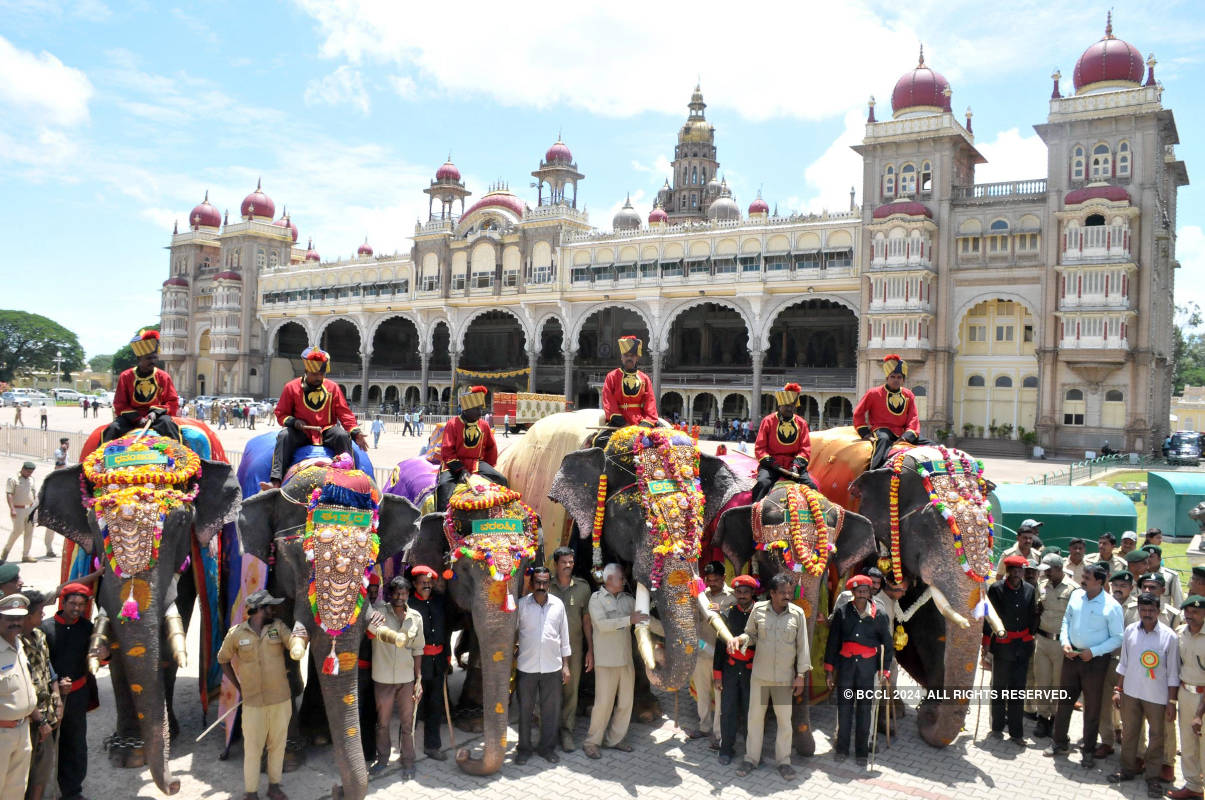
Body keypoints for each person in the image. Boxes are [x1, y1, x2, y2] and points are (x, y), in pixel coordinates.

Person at [217, 589, 298, 800]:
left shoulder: (278, 628)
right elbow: (223, 659)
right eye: (270, 606)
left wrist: (298, 643)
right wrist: (238, 686)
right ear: (260, 609)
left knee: (277, 746)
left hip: (280, 700)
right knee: (252, 749)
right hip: (253, 702)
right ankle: (251, 793)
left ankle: (274, 786)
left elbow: (292, 642)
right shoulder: (236, 633)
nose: (274, 609)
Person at [729, 572, 809, 780]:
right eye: (782, 592)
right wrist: (741, 639)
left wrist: (800, 675)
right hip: (760, 677)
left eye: (790, 592)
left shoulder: (797, 614)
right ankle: (751, 759)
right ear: (772, 593)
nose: (787, 596)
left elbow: (802, 647)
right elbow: (751, 635)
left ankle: (784, 762)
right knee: (755, 719)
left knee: (784, 722)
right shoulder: (758, 609)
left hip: (783, 679)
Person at [1045, 563, 1125, 767]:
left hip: (1095, 663)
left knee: (1092, 708)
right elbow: (1066, 622)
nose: (1083, 579)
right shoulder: (1076, 596)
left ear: (1099, 581)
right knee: (1064, 703)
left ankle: (1088, 750)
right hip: (1071, 658)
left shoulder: (1111, 605)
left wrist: (1094, 652)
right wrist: (1065, 642)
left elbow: (1118, 638)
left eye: (1087, 577)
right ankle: (1059, 742)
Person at [1110, 593, 1180, 798]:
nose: (1147, 614)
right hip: (1131, 692)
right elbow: (1123, 663)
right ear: (1138, 610)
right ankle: (1128, 769)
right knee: (1130, 732)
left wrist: (1172, 702)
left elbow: (1174, 673)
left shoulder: (1170, 637)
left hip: (1157, 697)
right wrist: (1118, 690)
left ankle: (1152, 777)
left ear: (1158, 611)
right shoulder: (1130, 630)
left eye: (1151, 610)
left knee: (1157, 737)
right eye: (1143, 610)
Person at [267, 347, 366, 489]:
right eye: (314, 374)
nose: (318, 377)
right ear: (306, 371)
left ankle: (350, 480)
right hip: (301, 432)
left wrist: (355, 432)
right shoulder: (291, 387)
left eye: (321, 374)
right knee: (284, 435)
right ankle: (275, 481)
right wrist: (294, 422)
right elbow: (281, 414)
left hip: (326, 431)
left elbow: (344, 413)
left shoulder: (333, 387)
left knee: (342, 436)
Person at [825, 574, 893, 765]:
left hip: (867, 671)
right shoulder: (842, 612)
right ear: (852, 592)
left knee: (864, 710)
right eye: (858, 590)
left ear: (871, 592)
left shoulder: (879, 614)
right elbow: (833, 642)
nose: (862, 594)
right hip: (846, 670)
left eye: (865, 590)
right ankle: (842, 749)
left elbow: (888, 645)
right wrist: (829, 670)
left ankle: (862, 753)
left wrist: (885, 671)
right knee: (845, 709)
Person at [367, 576, 424, 780]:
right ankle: (382, 759)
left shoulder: (415, 617)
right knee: (382, 723)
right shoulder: (378, 614)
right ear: (390, 594)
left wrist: (418, 680)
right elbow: (371, 631)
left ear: (409, 594)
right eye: (397, 593)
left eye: (404, 593)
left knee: (408, 723)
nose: (400, 597)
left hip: (407, 679)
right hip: (383, 679)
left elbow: (418, 649)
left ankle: (408, 760)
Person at [584, 564, 642, 760]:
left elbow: (642, 619)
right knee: (603, 704)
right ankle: (592, 742)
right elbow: (601, 625)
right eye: (621, 578)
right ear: (609, 580)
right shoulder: (596, 599)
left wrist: (666, 634)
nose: (624, 581)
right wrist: (628, 621)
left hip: (626, 660)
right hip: (606, 661)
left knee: (626, 703)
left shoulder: (628, 600)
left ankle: (615, 739)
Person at [42, 582, 94, 800]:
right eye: (73, 603)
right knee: (44, 745)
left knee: (75, 744)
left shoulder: (87, 628)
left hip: (77, 696)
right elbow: (40, 665)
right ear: (62, 603)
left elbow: (97, 656)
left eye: (81, 605)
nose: (77, 609)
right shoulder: (44, 629)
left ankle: (72, 791)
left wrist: (103, 652)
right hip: (48, 698)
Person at [515, 567, 571, 765]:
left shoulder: (558, 605)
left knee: (551, 711)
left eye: (545, 583)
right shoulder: (521, 605)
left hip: (552, 668)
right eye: (537, 582)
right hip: (526, 668)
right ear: (532, 584)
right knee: (524, 711)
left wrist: (565, 665)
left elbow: (564, 637)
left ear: (549, 583)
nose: (541, 586)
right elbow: (512, 633)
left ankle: (546, 749)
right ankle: (523, 749)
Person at [982, 554, 1039, 744]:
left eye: (1019, 571)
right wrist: (986, 644)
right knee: (999, 688)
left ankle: (1016, 733)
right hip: (1002, 647)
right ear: (1007, 571)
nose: (1016, 574)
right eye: (1012, 571)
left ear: (1023, 572)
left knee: (1018, 689)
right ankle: (997, 727)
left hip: (1022, 647)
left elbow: (1033, 615)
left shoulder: (1031, 590)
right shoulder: (996, 589)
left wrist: (1030, 636)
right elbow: (988, 617)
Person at [547, 547, 593, 752]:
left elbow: (586, 622)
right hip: (548, 649)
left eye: (571, 561)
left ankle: (566, 732)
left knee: (570, 691)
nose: (568, 565)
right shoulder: (546, 586)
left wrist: (590, 649)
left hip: (574, 649)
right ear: (556, 564)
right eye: (564, 562)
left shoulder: (582, 588)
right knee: (549, 689)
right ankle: (549, 731)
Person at [853, 354, 927, 471]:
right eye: (893, 377)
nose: (896, 380)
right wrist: (865, 433)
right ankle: (873, 472)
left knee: (931, 444)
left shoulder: (908, 394)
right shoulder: (873, 393)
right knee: (883, 440)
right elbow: (858, 413)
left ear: (903, 379)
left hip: (902, 433)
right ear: (887, 378)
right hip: (882, 429)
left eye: (899, 377)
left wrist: (907, 436)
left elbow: (913, 417)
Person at [104, 330, 180, 443]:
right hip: (130, 419)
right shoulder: (125, 376)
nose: (153, 361)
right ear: (139, 359)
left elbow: (172, 402)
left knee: (169, 425)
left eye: (155, 357)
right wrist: (138, 419)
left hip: (157, 418)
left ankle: (180, 457)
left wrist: (155, 412)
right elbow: (120, 404)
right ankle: (102, 459)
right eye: (149, 358)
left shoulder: (164, 376)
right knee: (112, 428)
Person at [435, 386, 504, 511]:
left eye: (480, 408)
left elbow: (491, 448)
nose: (480, 412)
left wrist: (488, 467)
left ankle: (501, 513)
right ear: (466, 410)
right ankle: (440, 520)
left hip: (476, 463)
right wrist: (461, 470)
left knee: (501, 480)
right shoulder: (452, 424)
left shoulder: (484, 425)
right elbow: (447, 451)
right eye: (476, 409)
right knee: (444, 486)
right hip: (453, 465)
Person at [688, 561, 734, 744]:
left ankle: (719, 733)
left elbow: (738, 620)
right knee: (702, 693)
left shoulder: (733, 596)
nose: (712, 583)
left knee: (721, 695)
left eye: (716, 580)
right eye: (709, 580)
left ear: (724, 578)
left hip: (721, 656)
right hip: (701, 652)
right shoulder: (701, 595)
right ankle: (704, 727)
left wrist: (721, 610)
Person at [21, 589, 61, 800]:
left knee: (42, 769)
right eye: (40, 612)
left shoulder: (40, 635)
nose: (43, 615)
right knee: (23, 772)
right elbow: (23, 687)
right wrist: (39, 719)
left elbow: (48, 667)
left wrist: (57, 695)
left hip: (47, 714)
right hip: (29, 718)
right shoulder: (16, 643)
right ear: (27, 616)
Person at [714, 575, 757, 766]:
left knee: (752, 711)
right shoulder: (728, 614)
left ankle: (752, 751)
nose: (742, 596)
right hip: (731, 669)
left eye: (745, 592)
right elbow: (719, 647)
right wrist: (717, 675)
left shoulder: (761, 614)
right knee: (728, 710)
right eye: (738, 592)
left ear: (752, 593)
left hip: (753, 672)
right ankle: (726, 749)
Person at [1033, 553, 1076, 740]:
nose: (1046, 573)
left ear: (1058, 568)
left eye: (1049, 570)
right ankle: (1042, 717)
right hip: (1042, 640)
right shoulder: (1042, 586)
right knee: (1042, 681)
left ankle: (1055, 719)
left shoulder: (1073, 589)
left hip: (1061, 643)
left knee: (1058, 683)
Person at [409, 566, 450, 761]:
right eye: (422, 583)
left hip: (438, 661)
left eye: (429, 582)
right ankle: (406, 749)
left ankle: (432, 746)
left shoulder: (440, 602)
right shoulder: (408, 605)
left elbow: (447, 631)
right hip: (417, 663)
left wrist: (448, 657)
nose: (426, 586)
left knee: (435, 705)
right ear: (415, 584)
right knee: (413, 707)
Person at [0, 594, 38, 799]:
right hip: (2, 734)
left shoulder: (19, 644)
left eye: (19, 618)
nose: (15, 623)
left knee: (15, 791)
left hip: (22, 731)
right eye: (9, 618)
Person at [751, 383, 817, 503]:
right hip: (772, 466)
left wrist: (796, 466)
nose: (789, 408)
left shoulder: (801, 423)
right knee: (762, 483)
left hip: (794, 466)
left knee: (812, 487)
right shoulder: (768, 421)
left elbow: (805, 449)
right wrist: (773, 464)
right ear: (780, 405)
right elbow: (760, 448)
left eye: (792, 406)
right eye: (786, 405)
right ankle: (753, 512)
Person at [596, 336, 658, 448]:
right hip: (618, 421)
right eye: (626, 355)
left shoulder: (644, 378)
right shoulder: (612, 376)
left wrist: (645, 423)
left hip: (641, 423)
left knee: (660, 444)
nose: (629, 358)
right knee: (599, 442)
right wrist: (621, 421)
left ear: (637, 358)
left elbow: (650, 403)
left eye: (632, 356)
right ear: (621, 357)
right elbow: (608, 400)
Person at [1172, 595, 1205, 800]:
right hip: (1185, 694)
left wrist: (1199, 714)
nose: (1190, 616)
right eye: (1188, 612)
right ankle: (1193, 785)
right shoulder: (1179, 634)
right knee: (1187, 742)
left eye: (1196, 612)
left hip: (1204, 697)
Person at [4, 463, 37, 564]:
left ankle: (26, 555)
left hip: (30, 509)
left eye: (31, 472)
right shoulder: (13, 479)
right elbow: (9, 494)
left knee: (29, 532)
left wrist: (35, 508)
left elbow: (33, 493)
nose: (29, 474)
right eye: (27, 471)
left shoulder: (31, 479)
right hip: (18, 509)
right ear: (22, 469)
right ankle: (5, 552)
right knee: (17, 531)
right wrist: (12, 508)